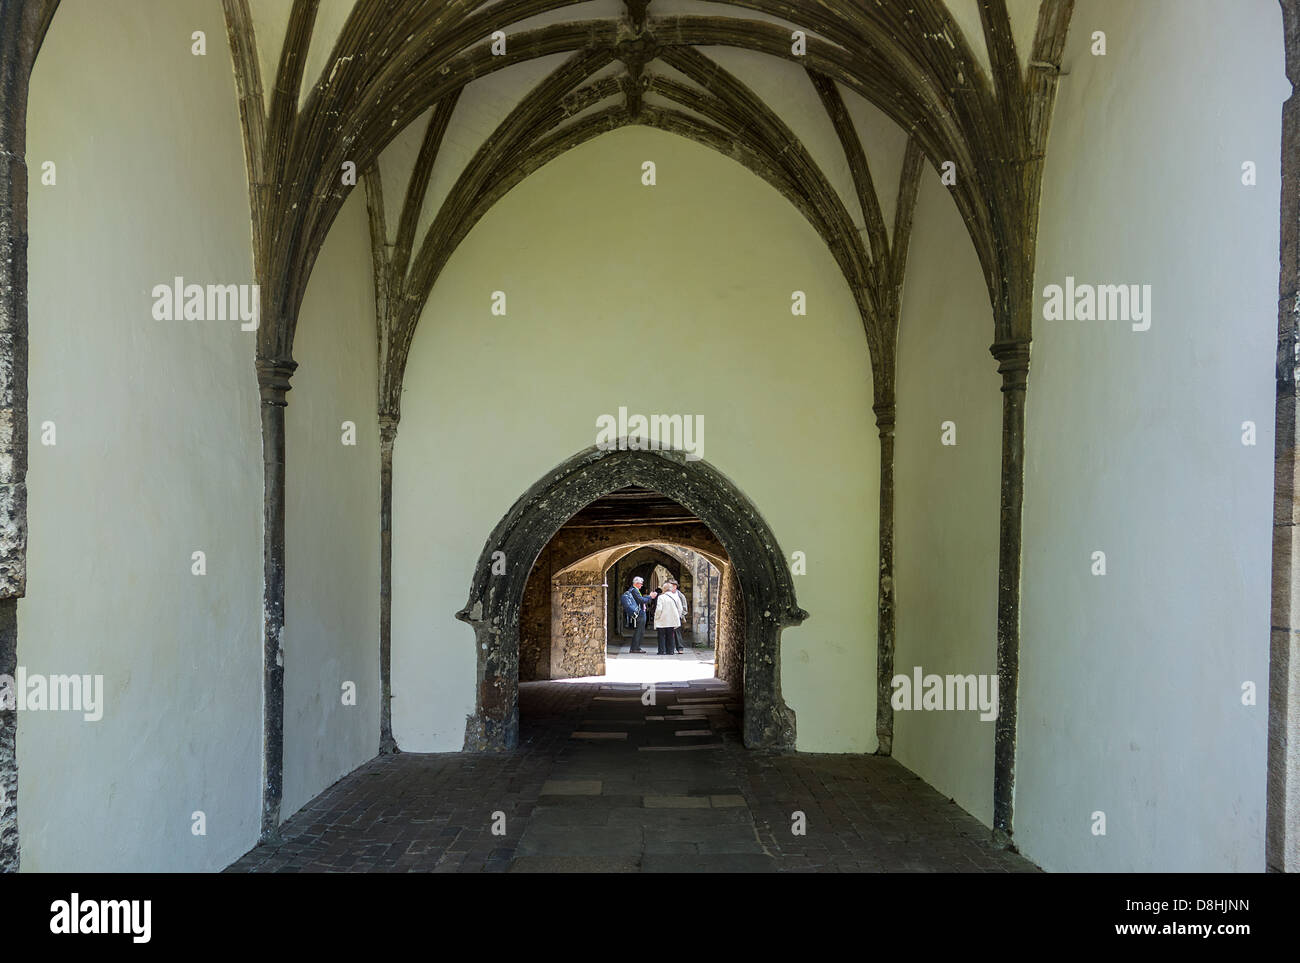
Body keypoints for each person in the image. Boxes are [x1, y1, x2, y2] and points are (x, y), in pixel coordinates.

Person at [619, 577, 656, 654]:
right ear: (636, 583)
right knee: (639, 631)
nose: (642, 585)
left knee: (640, 631)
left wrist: (647, 597)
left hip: (639, 612)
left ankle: (636, 647)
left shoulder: (634, 590)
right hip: (639, 613)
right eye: (641, 583)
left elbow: (640, 599)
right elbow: (641, 600)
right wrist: (650, 596)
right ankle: (635, 648)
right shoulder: (634, 590)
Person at [653, 578, 683, 655]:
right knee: (670, 636)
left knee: (661, 636)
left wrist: (656, 617)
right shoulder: (676, 597)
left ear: (664, 589)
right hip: (672, 620)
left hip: (662, 619)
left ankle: (662, 651)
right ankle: (670, 651)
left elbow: (659, 609)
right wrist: (677, 616)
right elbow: (680, 609)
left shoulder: (661, 597)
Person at [666, 580, 688, 653]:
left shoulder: (680, 595)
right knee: (668, 632)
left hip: (677, 616)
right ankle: (669, 648)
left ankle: (680, 648)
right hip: (668, 616)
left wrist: (681, 615)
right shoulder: (666, 594)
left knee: (677, 632)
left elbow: (684, 606)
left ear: (675, 586)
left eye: (672, 586)